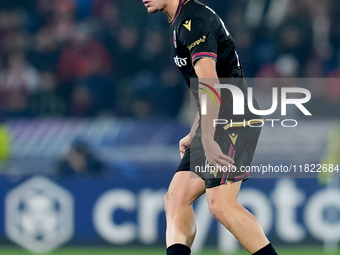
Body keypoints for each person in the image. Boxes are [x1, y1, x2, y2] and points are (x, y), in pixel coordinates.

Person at [142, 0, 278, 255]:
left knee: (221, 204)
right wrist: (195, 131)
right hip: (218, 117)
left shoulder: (195, 20)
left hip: (236, 116)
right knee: (175, 200)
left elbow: (210, 82)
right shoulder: (179, 21)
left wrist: (205, 138)